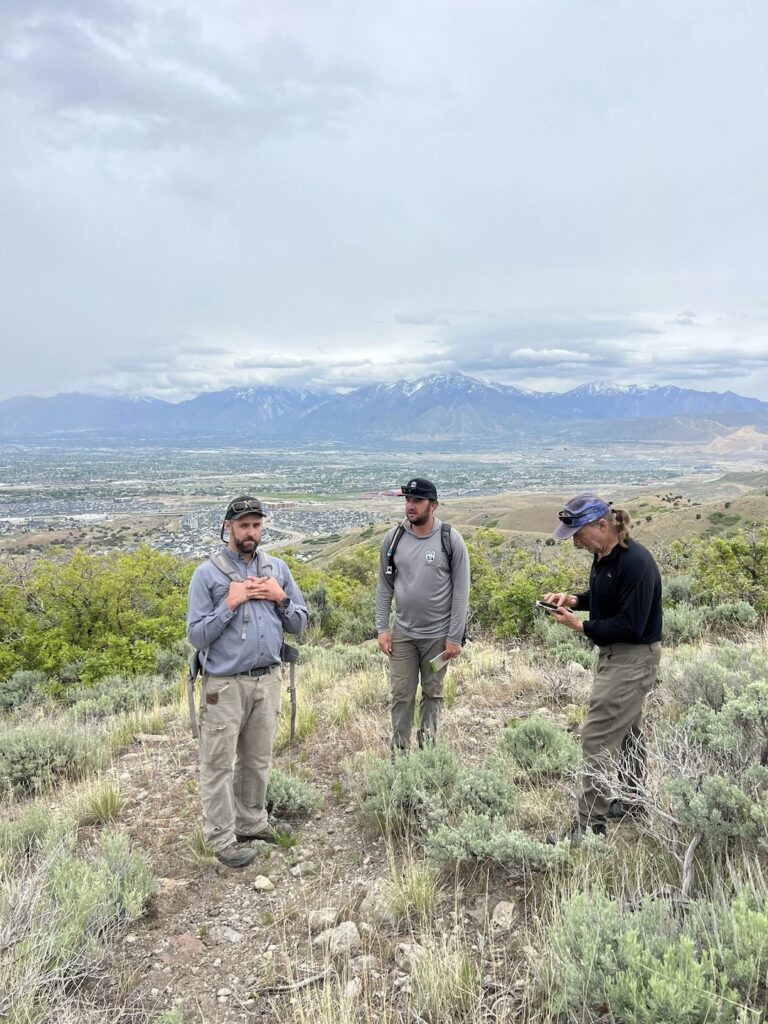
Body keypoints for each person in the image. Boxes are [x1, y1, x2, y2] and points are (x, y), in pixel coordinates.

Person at [187, 496, 308, 867]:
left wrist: (280, 597)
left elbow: (300, 624)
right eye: (243, 525)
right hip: (224, 686)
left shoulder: (278, 569)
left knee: (257, 759)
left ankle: (252, 822)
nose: (251, 532)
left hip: (267, 679)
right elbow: (196, 635)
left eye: (256, 525)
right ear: (228, 528)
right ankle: (221, 838)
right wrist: (230, 604)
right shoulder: (207, 575)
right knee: (219, 763)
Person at [543, 492, 662, 838]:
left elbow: (631, 624)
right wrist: (574, 600)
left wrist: (580, 626)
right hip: (617, 656)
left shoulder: (635, 562)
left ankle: (588, 827)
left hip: (632, 658)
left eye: (579, 533)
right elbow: (606, 597)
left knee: (597, 736)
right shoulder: (604, 555)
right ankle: (632, 799)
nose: (577, 541)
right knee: (627, 732)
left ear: (602, 524)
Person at [376, 477, 470, 752]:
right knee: (401, 695)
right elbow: (384, 586)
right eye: (408, 500)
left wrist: (454, 638)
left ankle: (428, 752)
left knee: (433, 693)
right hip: (403, 635)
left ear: (434, 505)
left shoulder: (450, 540)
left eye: (417, 501)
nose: (410, 506)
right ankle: (400, 755)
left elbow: (461, 592)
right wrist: (383, 628)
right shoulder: (394, 539)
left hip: (438, 640)